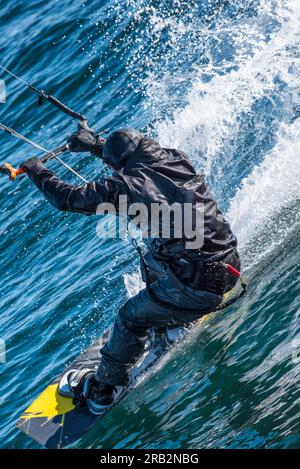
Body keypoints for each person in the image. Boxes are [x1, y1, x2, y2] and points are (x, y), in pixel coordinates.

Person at [20, 124, 241, 414]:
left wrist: (36, 169)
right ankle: (171, 319)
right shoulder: (176, 158)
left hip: (197, 287)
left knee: (129, 317)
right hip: (228, 264)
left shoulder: (125, 185)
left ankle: (104, 389)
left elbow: (68, 199)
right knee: (154, 253)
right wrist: (97, 145)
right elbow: (133, 159)